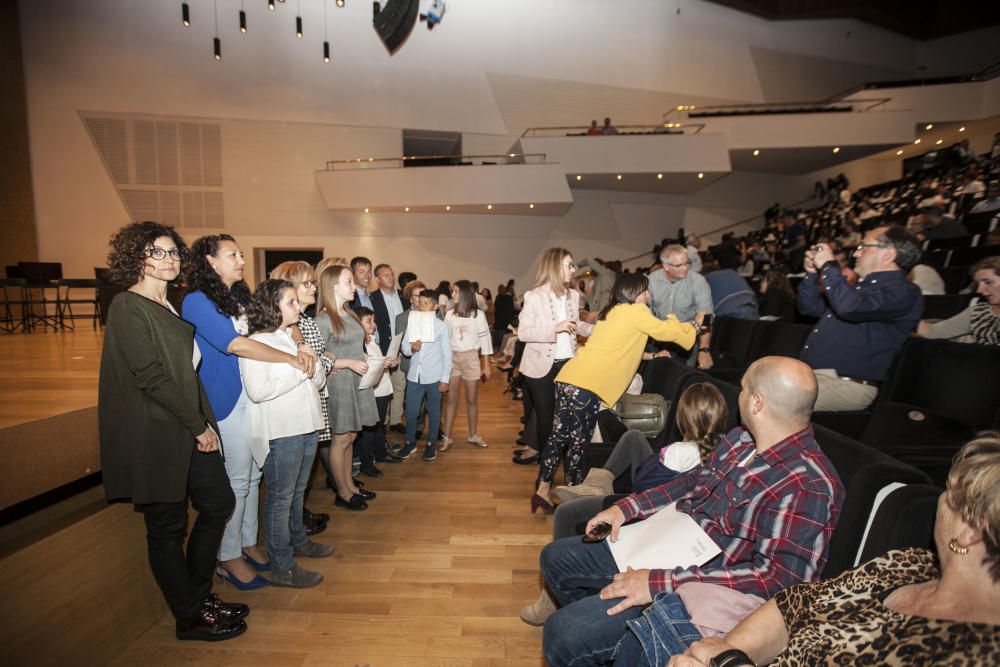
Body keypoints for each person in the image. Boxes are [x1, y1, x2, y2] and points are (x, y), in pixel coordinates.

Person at [539, 357, 844, 667]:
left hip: (702, 585)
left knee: (564, 633)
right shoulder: (740, 440)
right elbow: (690, 483)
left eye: (743, 389)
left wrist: (658, 583)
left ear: (756, 403)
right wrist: (626, 508)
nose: (737, 396)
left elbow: (778, 585)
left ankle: (607, 631)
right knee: (555, 559)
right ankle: (607, 631)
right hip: (667, 541)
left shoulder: (807, 485)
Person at [669, 432, 1000, 667]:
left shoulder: (975, 652)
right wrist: (725, 651)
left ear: (969, 531)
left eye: (951, 493)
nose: (941, 500)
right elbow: (795, 606)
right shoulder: (910, 563)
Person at [99, 221, 246, 641]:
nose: (168, 259)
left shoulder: (170, 304)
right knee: (165, 528)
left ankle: (196, 598)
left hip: (185, 425)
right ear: (136, 257)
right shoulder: (128, 306)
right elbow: (151, 377)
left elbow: (186, 372)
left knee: (218, 502)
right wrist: (198, 424)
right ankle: (189, 615)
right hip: (156, 432)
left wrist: (200, 423)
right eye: (157, 252)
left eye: (173, 252)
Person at [183, 234, 315, 590]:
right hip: (224, 397)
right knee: (238, 481)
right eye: (232, 255)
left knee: (254, 477)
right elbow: (235, 343)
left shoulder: (238, 296)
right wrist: (291, 358)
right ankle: (227, 557)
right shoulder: (197, 301)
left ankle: (247, 542)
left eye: (241, 254)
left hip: (251, 397)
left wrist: (299, 342)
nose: (241, 260)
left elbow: (276, 320)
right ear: (210, 261)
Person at [532, 273, 700, 513]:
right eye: (644, 291)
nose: (648, 295)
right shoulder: (636, 312)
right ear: (633, 293)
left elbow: (620, 349)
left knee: (559, 437)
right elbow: (669, 333)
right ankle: (577, 498)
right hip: (587, 385)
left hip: (569, 379)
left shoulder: (613, 314)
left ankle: (542, 489)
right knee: (579, 442)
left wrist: (653, 356)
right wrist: (692, 325)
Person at [240, 279, 333, 588]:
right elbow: (257, 391)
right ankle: (282, 565)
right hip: (282, 432)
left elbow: (318, 383)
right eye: (291, 302)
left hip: (307, 426)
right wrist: (299, 369)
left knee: (297, 492)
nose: (297, 307)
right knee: (280, 499)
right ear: (272, 306)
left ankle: (299, 541)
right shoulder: (257, 341)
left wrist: (311, 360)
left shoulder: (292, 337)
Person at [797, 226, 923, 411]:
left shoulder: (905, 292)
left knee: (768, 394)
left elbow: (850, 308)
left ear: (888, 254)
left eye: (863, 246)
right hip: (813, 377)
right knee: (752, 381)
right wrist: (812, 274)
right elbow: (809, 307)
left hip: (845, 385)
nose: (856, 253)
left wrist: (829, 266)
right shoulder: (857, 290)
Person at [554, 382, 728, 501]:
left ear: (682, 418)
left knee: (566, 514)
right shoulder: (729, 446)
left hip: (653, 501)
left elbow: (640, 483)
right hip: (671, 490)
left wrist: (664, 454)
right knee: (634, 436)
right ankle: (598, 484)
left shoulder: (677, 451)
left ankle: (597, 486)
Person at [513, 248, 594, 465]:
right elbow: (524, 333)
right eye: (569, 265)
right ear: (555, 267)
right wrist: (554, 328)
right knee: (547, 419)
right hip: (541, 367)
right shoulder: (534, 296)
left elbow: (576, 326)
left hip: (569, 364)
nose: (573, 269)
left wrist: (599, 330)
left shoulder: (573, 295)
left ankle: (562, 464)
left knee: (567, 418)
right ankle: (546, 469)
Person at [268, 261, 331, 536]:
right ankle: (287, 544)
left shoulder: (305, 322)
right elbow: (308, 366)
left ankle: (298, 531)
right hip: (289, 417)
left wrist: (319, 364)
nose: (313, 287)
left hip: (311, 404)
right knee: (285, 491)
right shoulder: (277, 332)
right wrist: (321, 363)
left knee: (298, 486)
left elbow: (316, 368)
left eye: (313, 282)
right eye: (307, 283)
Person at [315, 264, 378, 511]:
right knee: (340, 439)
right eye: (349, 282)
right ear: (333, 287)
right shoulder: (323, 318)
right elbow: (317, 358)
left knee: (351, 436)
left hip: (357, 381)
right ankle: (341, 491)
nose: (353, 286)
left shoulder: (349, 314)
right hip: (339, 383)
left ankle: (350, 485)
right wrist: (346, 362)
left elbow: (356, 346)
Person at [400, 289, 452, 462]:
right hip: (415, 376)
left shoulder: (440, 326)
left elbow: (447, 354)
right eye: (420, 302)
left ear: (435, 306)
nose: (422, 306)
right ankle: (410, 442)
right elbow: (404, 348)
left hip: (434, 376)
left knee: (434, 412)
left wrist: (445, 379)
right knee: (411, 412)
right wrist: (411, 348)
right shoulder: (412, 322)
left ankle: (431, 445)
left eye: (427, 303)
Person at [442, 280, 493, 450]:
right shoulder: (449, 315)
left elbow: (485, 340)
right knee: (451, 400)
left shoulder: (479, 315)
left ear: (463, 293)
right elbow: (445, 340)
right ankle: (447, 437)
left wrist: (486, 365)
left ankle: (473, 435)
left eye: (455, 291)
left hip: (471, 358)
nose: (452, 294)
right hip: (452, 359)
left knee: (471, 400)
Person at [647, 244, 713, 369]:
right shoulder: (652, 281)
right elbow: (644, 313)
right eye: (679, 265)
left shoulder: (698, 282)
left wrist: (704, 350)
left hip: (688, 340)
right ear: (666, 266)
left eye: (687, 263)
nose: (686, 268)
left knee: (685, 375)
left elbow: (706, 317)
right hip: (659, 339)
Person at [368, 263, 409, 446]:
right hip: (382, 347)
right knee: (383, 387)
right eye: (385, 275)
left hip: (401, 346)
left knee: (399, 384)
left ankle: (395, 420)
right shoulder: (373, 298)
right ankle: (382, 422)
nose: (390, 278)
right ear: (377, 279)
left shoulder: (403, 296)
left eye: (391, 274)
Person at [917, 256, 1000, 346]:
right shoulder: (978, 312)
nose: (979, 290)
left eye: (988, 282)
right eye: (978, 284)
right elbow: (932, 332)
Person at [355, 306, 399, 475]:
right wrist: (382, 363)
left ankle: (380, 453)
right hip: (372, 391)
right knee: (368, 429)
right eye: (369, 321)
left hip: (382, 389)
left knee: (379, 425)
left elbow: (378, 362)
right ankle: (367, 463)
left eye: (373, 321)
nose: (373, 325)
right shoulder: (359, 344)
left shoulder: (372, 341)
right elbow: (367, 365)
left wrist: (388, 363)